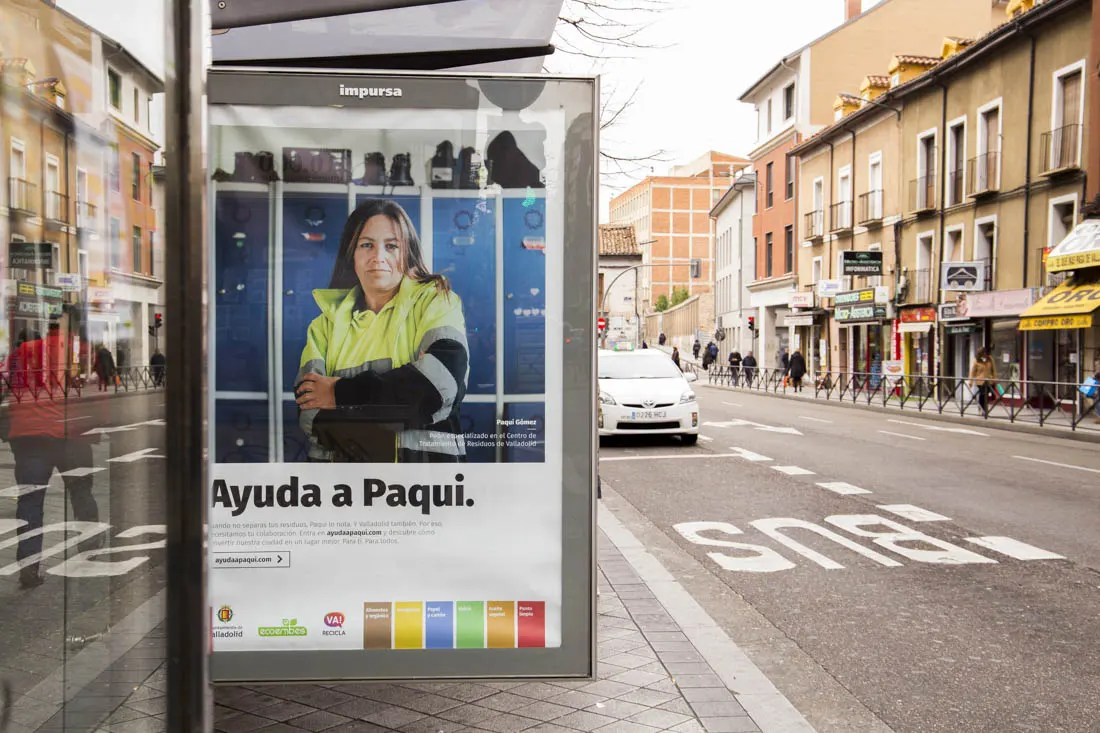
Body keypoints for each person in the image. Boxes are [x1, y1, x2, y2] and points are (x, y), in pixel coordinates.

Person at [294, 199, 468, 462]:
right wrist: (403, 406)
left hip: (423, 488)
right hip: (342, 492)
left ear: (407, 252)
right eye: (366, 245)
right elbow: (310, 416)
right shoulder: (325, 325)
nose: (379, 257)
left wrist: (338, 393)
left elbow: (438, 387)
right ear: (351, 254)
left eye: (391, 246)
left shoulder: (435, 302)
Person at [2, 323, 100, 589]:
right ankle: (91, 547)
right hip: (69, 436)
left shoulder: (20, 352)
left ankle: (28, 568)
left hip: (28, 437)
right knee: (81, 492)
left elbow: (5, 384)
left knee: (30, 502)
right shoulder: (74, 352)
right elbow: (89, 392)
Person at [969, 346, 997, 415]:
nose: (985, 355)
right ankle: (982, 409)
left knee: (986, 395)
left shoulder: (990, 359)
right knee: (982, 395)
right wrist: (971, 381)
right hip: (980, 381)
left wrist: (994, 378)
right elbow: (972, 372)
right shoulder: (976, 360)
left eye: (986, 353)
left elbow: (994, 370)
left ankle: (984, 409)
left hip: (989, 380)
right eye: (983, 353)